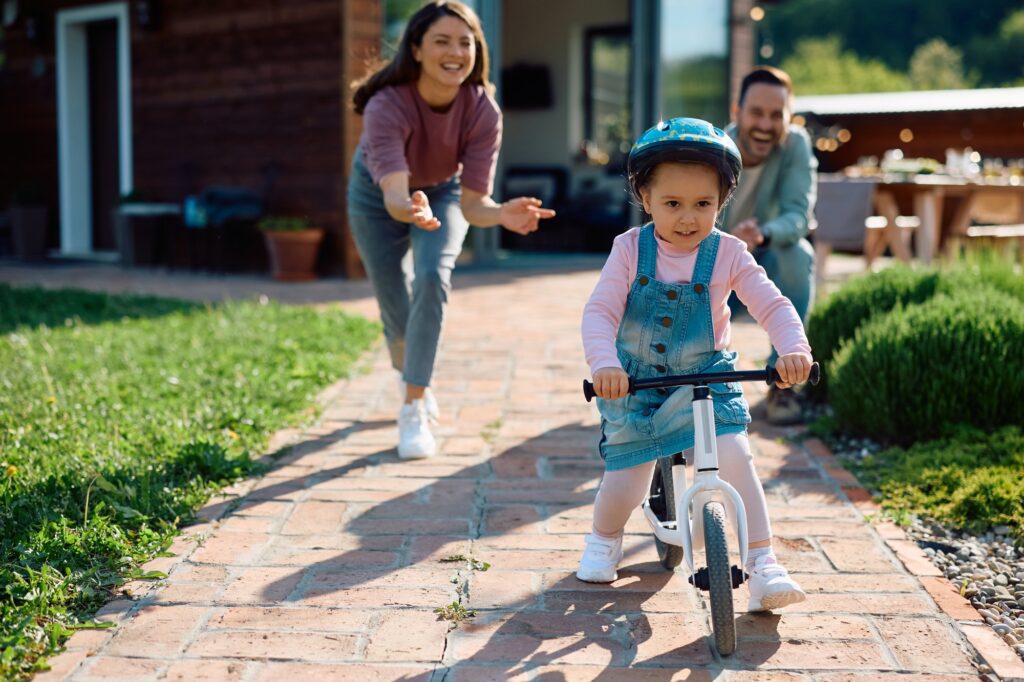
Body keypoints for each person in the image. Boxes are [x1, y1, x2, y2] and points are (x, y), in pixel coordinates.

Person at [577, 117, 813, 613]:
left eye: (703, 204)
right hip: (636, 382)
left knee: (737, 458)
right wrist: (605, 364)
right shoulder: (629, 249)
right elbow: (600, 312)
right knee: (628, 477)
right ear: (645, 197)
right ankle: (605, 536)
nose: (688, 218)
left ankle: (764, 562)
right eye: (673, 204)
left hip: (707, 379)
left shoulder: (728, 253)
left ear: (722, 201)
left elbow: (771, 303)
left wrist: (793, 349)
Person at [347, 1, 555, 459]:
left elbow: (475, 205)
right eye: (442, 41)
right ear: (417, 49)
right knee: (393, 298)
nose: (455, 52)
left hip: (443, 191)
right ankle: (413, 374)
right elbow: (395, 197)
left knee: (431, 277)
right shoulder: (388, 105)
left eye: (465, 42)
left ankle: (413, 405)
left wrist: (500, 213)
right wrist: (410, 209)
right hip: (376, 195)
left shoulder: (483, 110)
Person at [719, 66, 817, 425]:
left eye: (776, 115)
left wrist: (762, 234)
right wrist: (729, 242)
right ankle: (690, 386)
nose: (765, 124)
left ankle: (783, 381)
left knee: (798, 255)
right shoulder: (714, 148)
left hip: (765, 256)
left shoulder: (795, 145)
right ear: (736, 112)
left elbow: (798, 215)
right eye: (756, 112)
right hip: (713, 261)